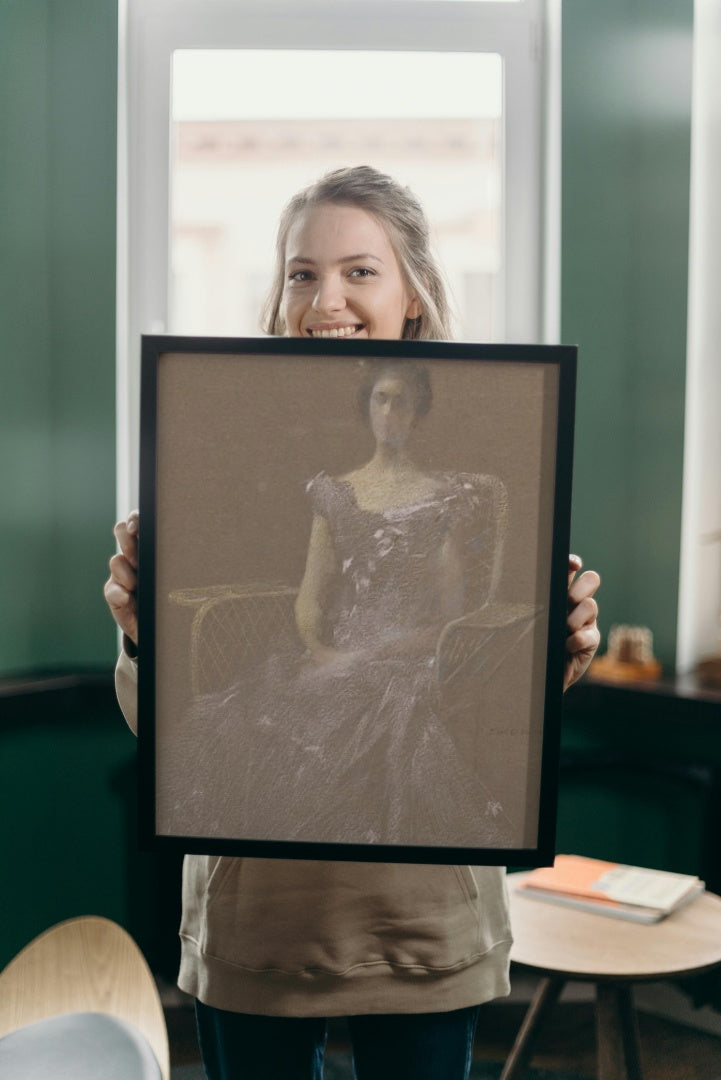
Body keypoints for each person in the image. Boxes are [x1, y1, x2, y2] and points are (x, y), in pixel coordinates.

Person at [105, 166, 601, 1080]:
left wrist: (552, 656)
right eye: (301, 272)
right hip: (256, 923)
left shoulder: (475, 479)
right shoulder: (246, 440)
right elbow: (169, 727)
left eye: (359, 271)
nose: (325, 298)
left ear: (412, 293)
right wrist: (143, 638)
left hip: (416, 921)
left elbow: (469, 636)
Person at [169, 359, 515, 849]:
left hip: (407, 658)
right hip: (337, 655)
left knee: (372, 735)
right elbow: (313, 591)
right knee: (230, 719)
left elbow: (449, 614)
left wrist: (376, 654)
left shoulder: (444, 500)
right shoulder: (335, 493)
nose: (391, 411)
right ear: (367, 408)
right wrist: (321, 650)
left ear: (419, 412)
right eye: (381, 398)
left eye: (403, 400)